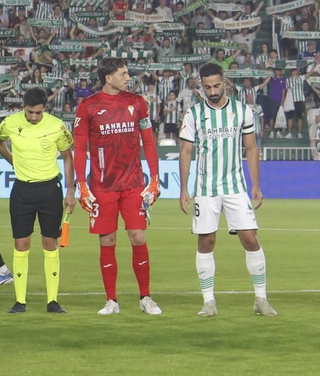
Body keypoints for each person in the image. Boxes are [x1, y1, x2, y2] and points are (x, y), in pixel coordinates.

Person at [177, 62, 275, 318]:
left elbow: (251, 148)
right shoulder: (194, 114)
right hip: (206, 189)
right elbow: (186, 151)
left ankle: (261, 299)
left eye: (216, 85)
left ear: (225, 82)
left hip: (235, 187)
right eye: (207, 87)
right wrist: (184, 189)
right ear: (201, 85)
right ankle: (209, 301)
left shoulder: (242, 111)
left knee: (250, 238)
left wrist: (256, 184)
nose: (212, 91)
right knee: (206, 241)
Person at [73, 58, 163, 316]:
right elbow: (80, 148)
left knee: (138, 237)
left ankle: (146, 297)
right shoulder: (88, 107)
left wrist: (153, 179)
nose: (128, 77)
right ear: (108, 78)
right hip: (102, 186)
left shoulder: (137, 103)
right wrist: (82, 184)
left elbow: (149, 142)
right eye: (123, 73)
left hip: (133, 184)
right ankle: (111, 300)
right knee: (107, 240)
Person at [0, 87, 75, 314]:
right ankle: (20, 301)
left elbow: (68, 157)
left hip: (50, 190)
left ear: (44, 109)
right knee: (21, 244)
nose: (34, 117)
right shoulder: (10, 122)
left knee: (50, 243)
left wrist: (70, 191)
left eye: (38, 113)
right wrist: (13, 161)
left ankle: (52, 301)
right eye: (30, 112)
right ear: (23, 107)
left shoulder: (57, 126)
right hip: (22, 191)